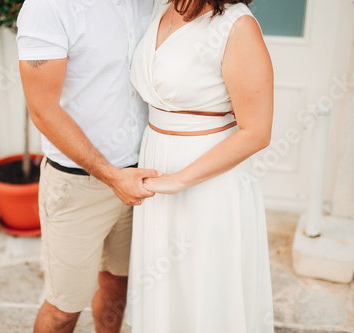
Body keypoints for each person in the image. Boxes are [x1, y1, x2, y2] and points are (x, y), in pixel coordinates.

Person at [126, 0, 274, 332]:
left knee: (204, 281)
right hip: (156, 162)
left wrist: (178, 180)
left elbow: (257, 132)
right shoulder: (159, 8)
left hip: (207, 178)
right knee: (165, 284)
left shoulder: (237, 27)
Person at [15, 1, 157, 332]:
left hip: (140, 178)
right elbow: (43, 110)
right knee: (64, 309)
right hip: (78, 185)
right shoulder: (48, 8)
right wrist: (111, 176)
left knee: (117, 285)